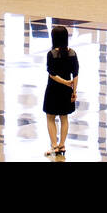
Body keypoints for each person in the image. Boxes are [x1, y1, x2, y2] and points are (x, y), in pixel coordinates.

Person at [43, 24, 79, 157]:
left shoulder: (51, 54)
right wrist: (73, 90)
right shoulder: (72, 53)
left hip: (53, 89)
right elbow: (75, 74)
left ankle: (54, 145)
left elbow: (52, 74)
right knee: (64, 118)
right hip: (66, 91)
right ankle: (62, 145)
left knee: (50, 117)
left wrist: (64, 82)